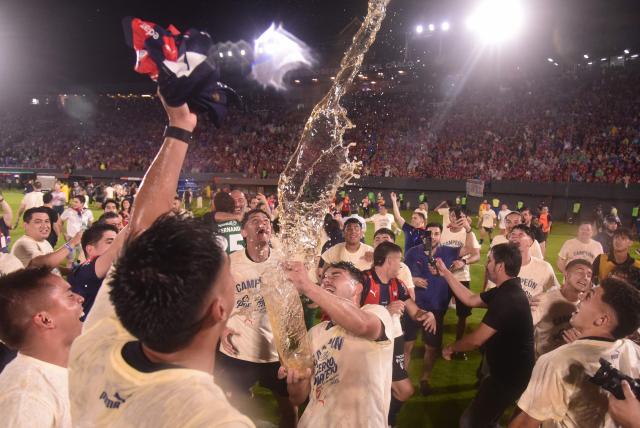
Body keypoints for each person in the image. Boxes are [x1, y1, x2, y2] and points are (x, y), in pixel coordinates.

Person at [68, 93, 253, 427]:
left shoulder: (96, 345)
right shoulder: (213, 420)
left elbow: (141, 234)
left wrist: (179, 126)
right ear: (219, 309)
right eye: (227, 273)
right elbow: (141, 235)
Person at [280, 261, 398, 428]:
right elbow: (297, 398)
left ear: (357, 288)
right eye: (323, 278)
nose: (326, 280)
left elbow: (362, 325)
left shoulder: (376, 312)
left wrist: (307, 286)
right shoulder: (315, 333)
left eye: (335, 275)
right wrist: (297, 381)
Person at [511, 278, 640, 428]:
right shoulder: (633, 349)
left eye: (589, 295)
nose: (580, 296)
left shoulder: (556, 362)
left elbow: (523, 425)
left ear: (601, 320)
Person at [436, 243, 535, 428]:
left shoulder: (508, 298)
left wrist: (450, 348)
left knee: (471, 422)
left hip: (509, 377)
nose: (486, 264)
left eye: (489, 260)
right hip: (505, 371)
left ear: (500, 266)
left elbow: (475, 340)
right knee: (487, 419)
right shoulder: (505, 290)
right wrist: (446, 273)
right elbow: (470, 299)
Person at [216, 209, 297, 428]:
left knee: (289, 405)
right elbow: (216, 299)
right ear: (243, 231)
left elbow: (293, 307)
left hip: (275, 352)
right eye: (255, 221)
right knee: (229, 406)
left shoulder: (284, 263)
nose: (263, 223)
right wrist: (221, 328)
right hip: (237, 349)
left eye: (266, 220)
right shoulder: (230, 263)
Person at [362, 242, 436, 426]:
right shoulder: (363, 281)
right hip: (368, 346)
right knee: (370, 391)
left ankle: (387, 420)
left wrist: (427, 314)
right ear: (389, 261)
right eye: (399, 260)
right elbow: (350, 314)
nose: (401, 264)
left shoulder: (398, 284)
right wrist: (384, 309)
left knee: (404, 390)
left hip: (394, 342)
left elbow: (414, 311)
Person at [0, 268, 85, 427]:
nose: (80, 298)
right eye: (69, 295)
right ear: (45, 320)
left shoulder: (67, 365)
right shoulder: (27, 399)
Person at [404, 219, 476, 395]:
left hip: (437, 308)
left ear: (441, 234)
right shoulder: (413, 252)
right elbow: (402, 273)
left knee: (432, 347)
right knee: (407, 345)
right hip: (414, 306)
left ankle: (425, 379)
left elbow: (472, 250)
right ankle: (402, 377)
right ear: (424, 234)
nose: (433, 237)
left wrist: (468, 229)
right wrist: (412, 280)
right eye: (429, 233)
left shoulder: (448, 251)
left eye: (437, 233)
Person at [439, 207, 481, 357]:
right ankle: (436, 344)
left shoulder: (468, 234)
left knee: (462, 315)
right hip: (443, 278)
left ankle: (458, 347)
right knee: (439, 312)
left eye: (459, 216)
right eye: (452, 216)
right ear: (449, 217)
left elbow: (476, 255)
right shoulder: (443, 231)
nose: (455, 219)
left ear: (465, 218)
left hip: (462, 278)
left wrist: (464, 261)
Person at [531, 259, 593, 358]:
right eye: (580, 272)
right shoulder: (545, 300)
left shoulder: (588, 307)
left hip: (570, 366)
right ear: (566, 274)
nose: (585, 277)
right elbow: (524, 328)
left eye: (589, 275)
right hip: (543, 363)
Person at [67, 223, 122, 320]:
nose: (116, 247)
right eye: (110, 242)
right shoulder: (83, 271)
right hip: (86, 332)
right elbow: (114, 252)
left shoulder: (114, 269)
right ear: (90, 249)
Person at [486, 225, 560, 298]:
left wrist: (543, 300)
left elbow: (556, 292)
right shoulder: (500, 265)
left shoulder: (544, 268)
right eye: (512, 234)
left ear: (531, 241)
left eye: (521, 234)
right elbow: (492, 294)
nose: (514, 236)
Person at [11, 207, 82, 271]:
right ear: (25, 226)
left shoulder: (45, 242)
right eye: (38, 222)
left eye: (47, 221)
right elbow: (44, 264)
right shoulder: (24, 243)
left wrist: (71, 271)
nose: (45, 226)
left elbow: (52, 267)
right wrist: (72, 242)